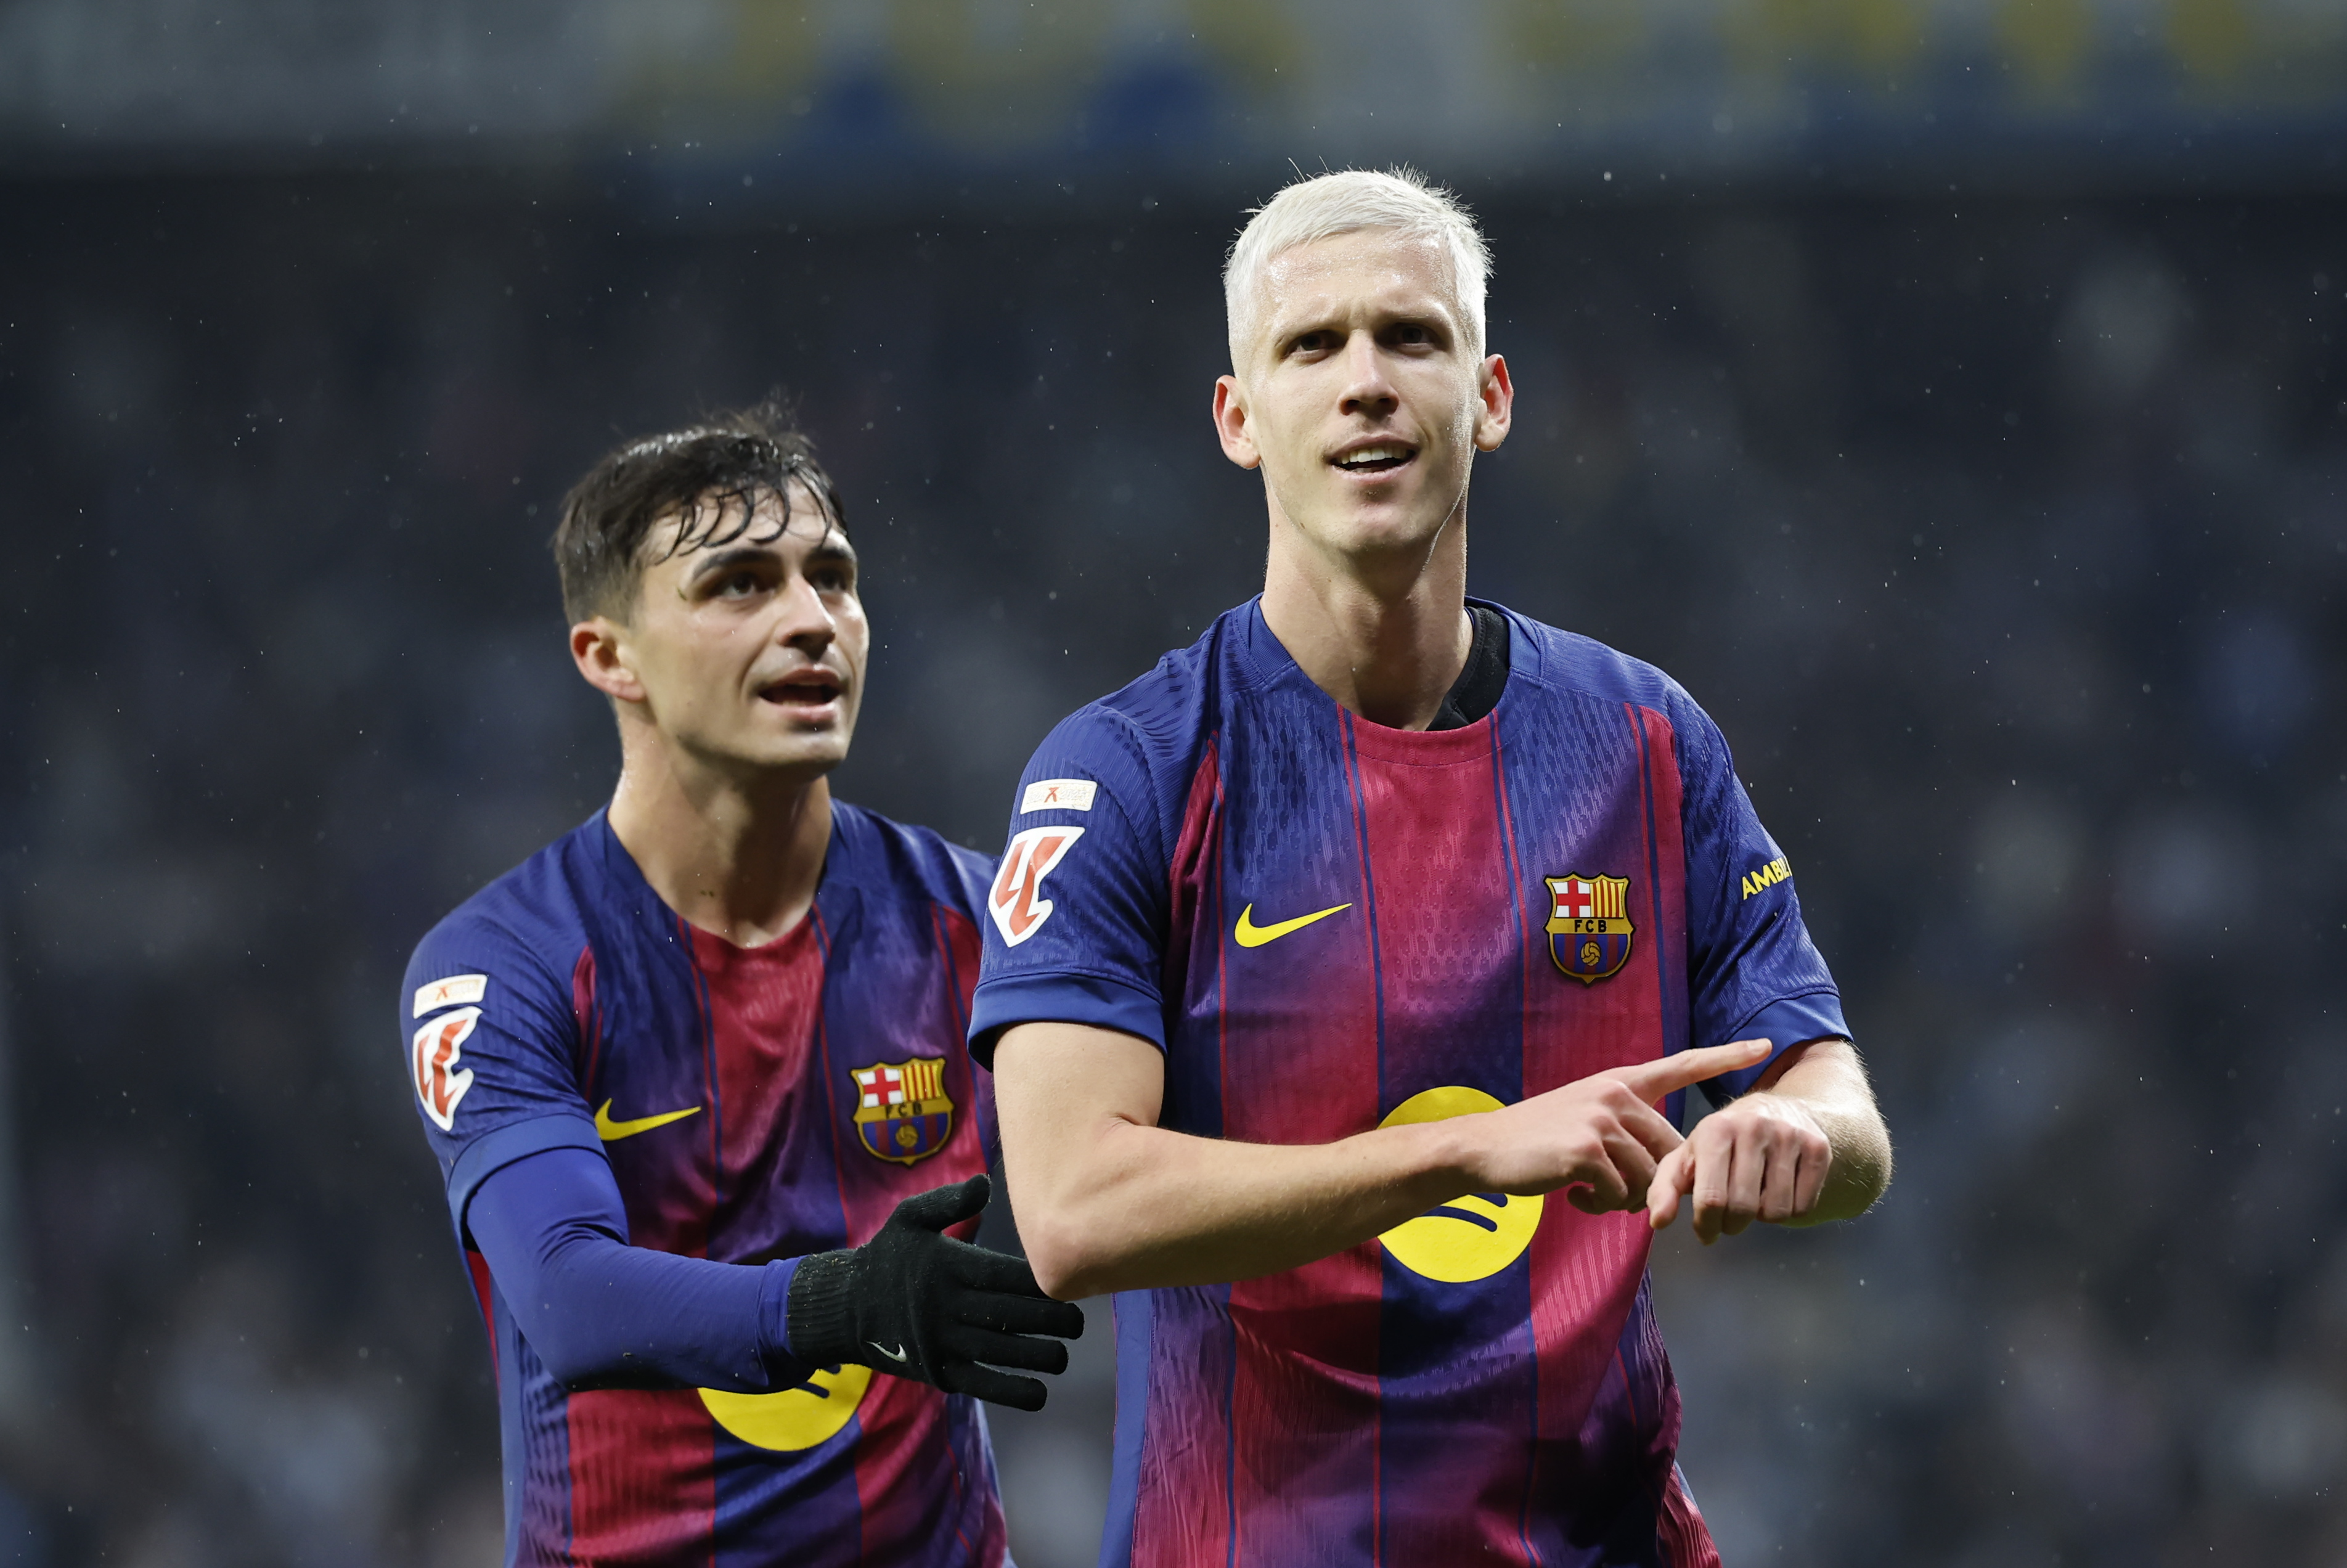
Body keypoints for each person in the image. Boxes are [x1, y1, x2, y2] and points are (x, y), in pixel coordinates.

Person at [974, 169, 1893, 1567]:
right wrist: (1468, 1149)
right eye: (1310, 346)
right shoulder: (1126, 771)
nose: (1364, 384)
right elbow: (1070, 1212)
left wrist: (1794, 1136)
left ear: (1492, 396)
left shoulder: (1643, 740)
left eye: (1411, 338)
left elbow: (1837, 1107)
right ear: (1238, 419)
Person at [401, 405, 1082, 1567]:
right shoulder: (499, 965)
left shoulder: (984, 921)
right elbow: (567, 1299)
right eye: (739, 585)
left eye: (833, 578)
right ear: (608, 655)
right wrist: (848, 1305)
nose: (812, 620)